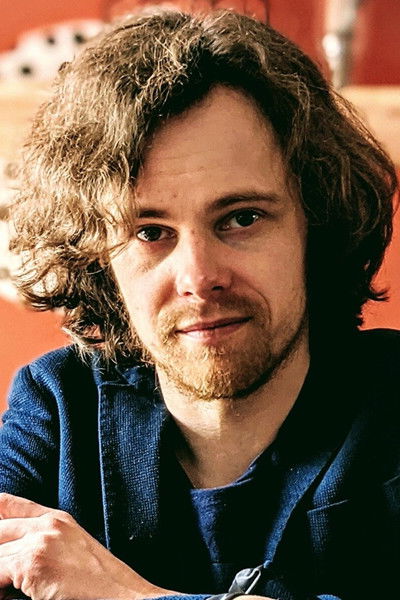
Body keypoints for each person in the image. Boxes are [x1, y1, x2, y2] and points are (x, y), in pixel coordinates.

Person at [0, 8, 398, 600]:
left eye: (242, 218)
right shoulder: (59, 407)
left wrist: (126, 596)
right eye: (150, 232)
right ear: (98, 258)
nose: (199, 277)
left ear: (316, 225)